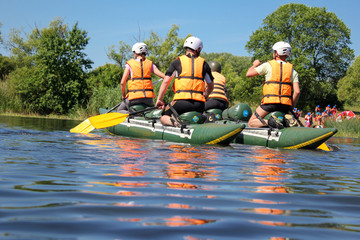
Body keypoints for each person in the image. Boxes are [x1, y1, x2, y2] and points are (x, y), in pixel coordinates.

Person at [155, 36, 214, 126]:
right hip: (199, 104)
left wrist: (159, 99)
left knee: (163, 116)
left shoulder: (177, 62)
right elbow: (210, 86)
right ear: (197, 49)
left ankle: (176, 123)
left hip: (181, 103)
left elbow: (166, 81)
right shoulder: (204, 64)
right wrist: (205, 96)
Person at [245, 41, 301, 128]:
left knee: (251, 122)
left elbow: (248, 74)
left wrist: (254, 65)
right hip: (285, 105)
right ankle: (286, 120)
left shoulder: (268, 65)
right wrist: (291, 107)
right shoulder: (293, 71)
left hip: (270, 104)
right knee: (285, 113)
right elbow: (297, 92)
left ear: (276, 52)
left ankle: (271, 122)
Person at [117, 42, 166, 113]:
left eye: (134, 52)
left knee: (120, 110)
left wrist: (123, 96)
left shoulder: (130, 64)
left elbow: (122, 83)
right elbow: (164, 77)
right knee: (150, 110)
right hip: (148, 99)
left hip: (134, 97)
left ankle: (131, 113)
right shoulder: (150, 64)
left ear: (136, 53)